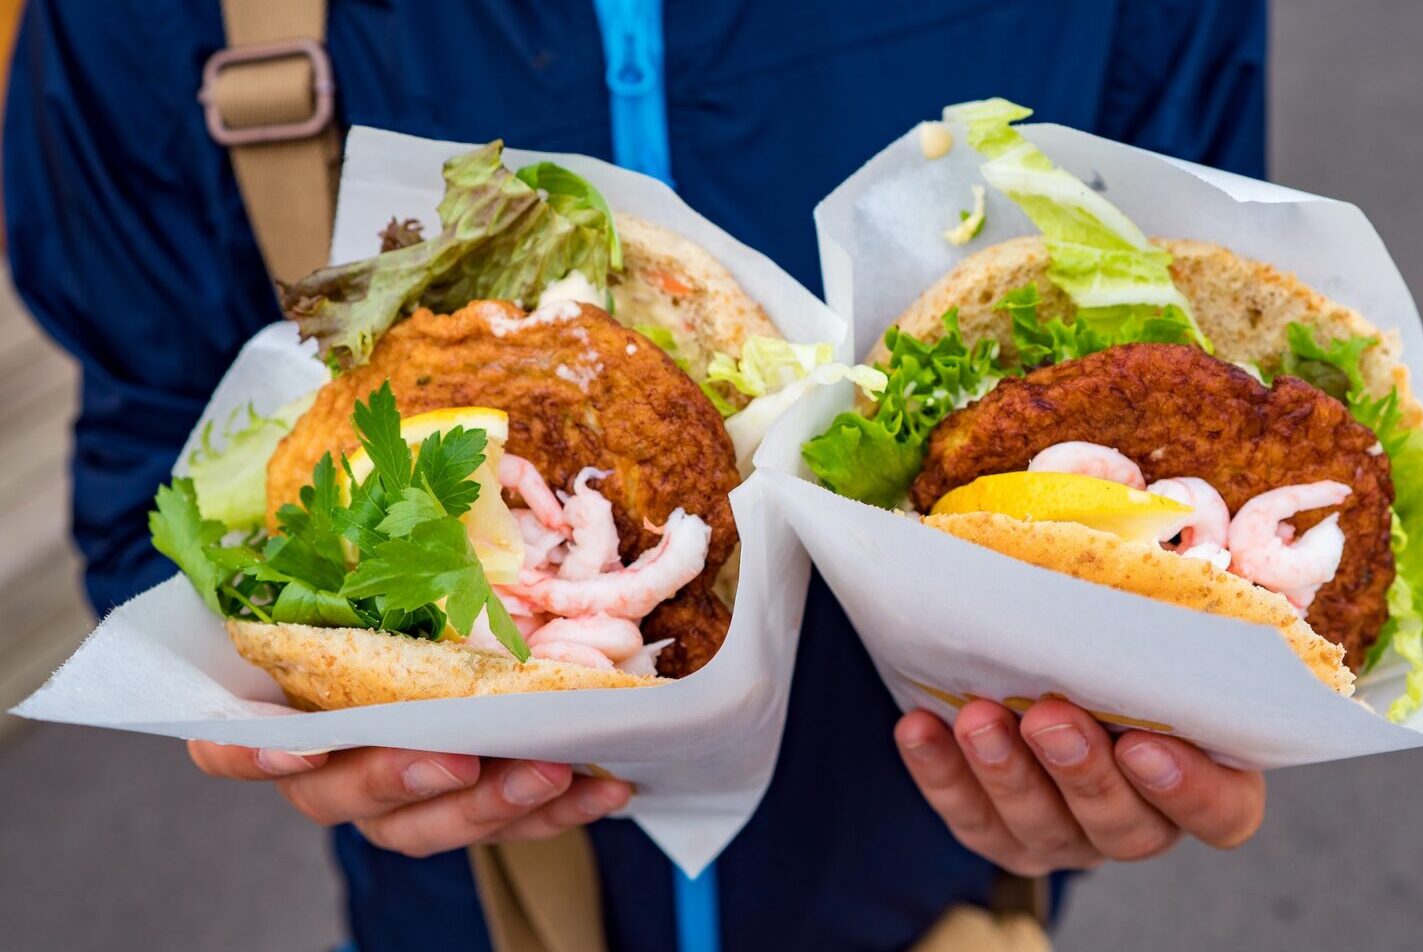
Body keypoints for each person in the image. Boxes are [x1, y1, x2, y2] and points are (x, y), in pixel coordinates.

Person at [6, 1, 1269, 948]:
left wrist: (1160, 711)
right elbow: (155, 476)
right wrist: (267, 698)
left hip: (933, 894)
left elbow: (1208, 381)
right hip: (459, 911)